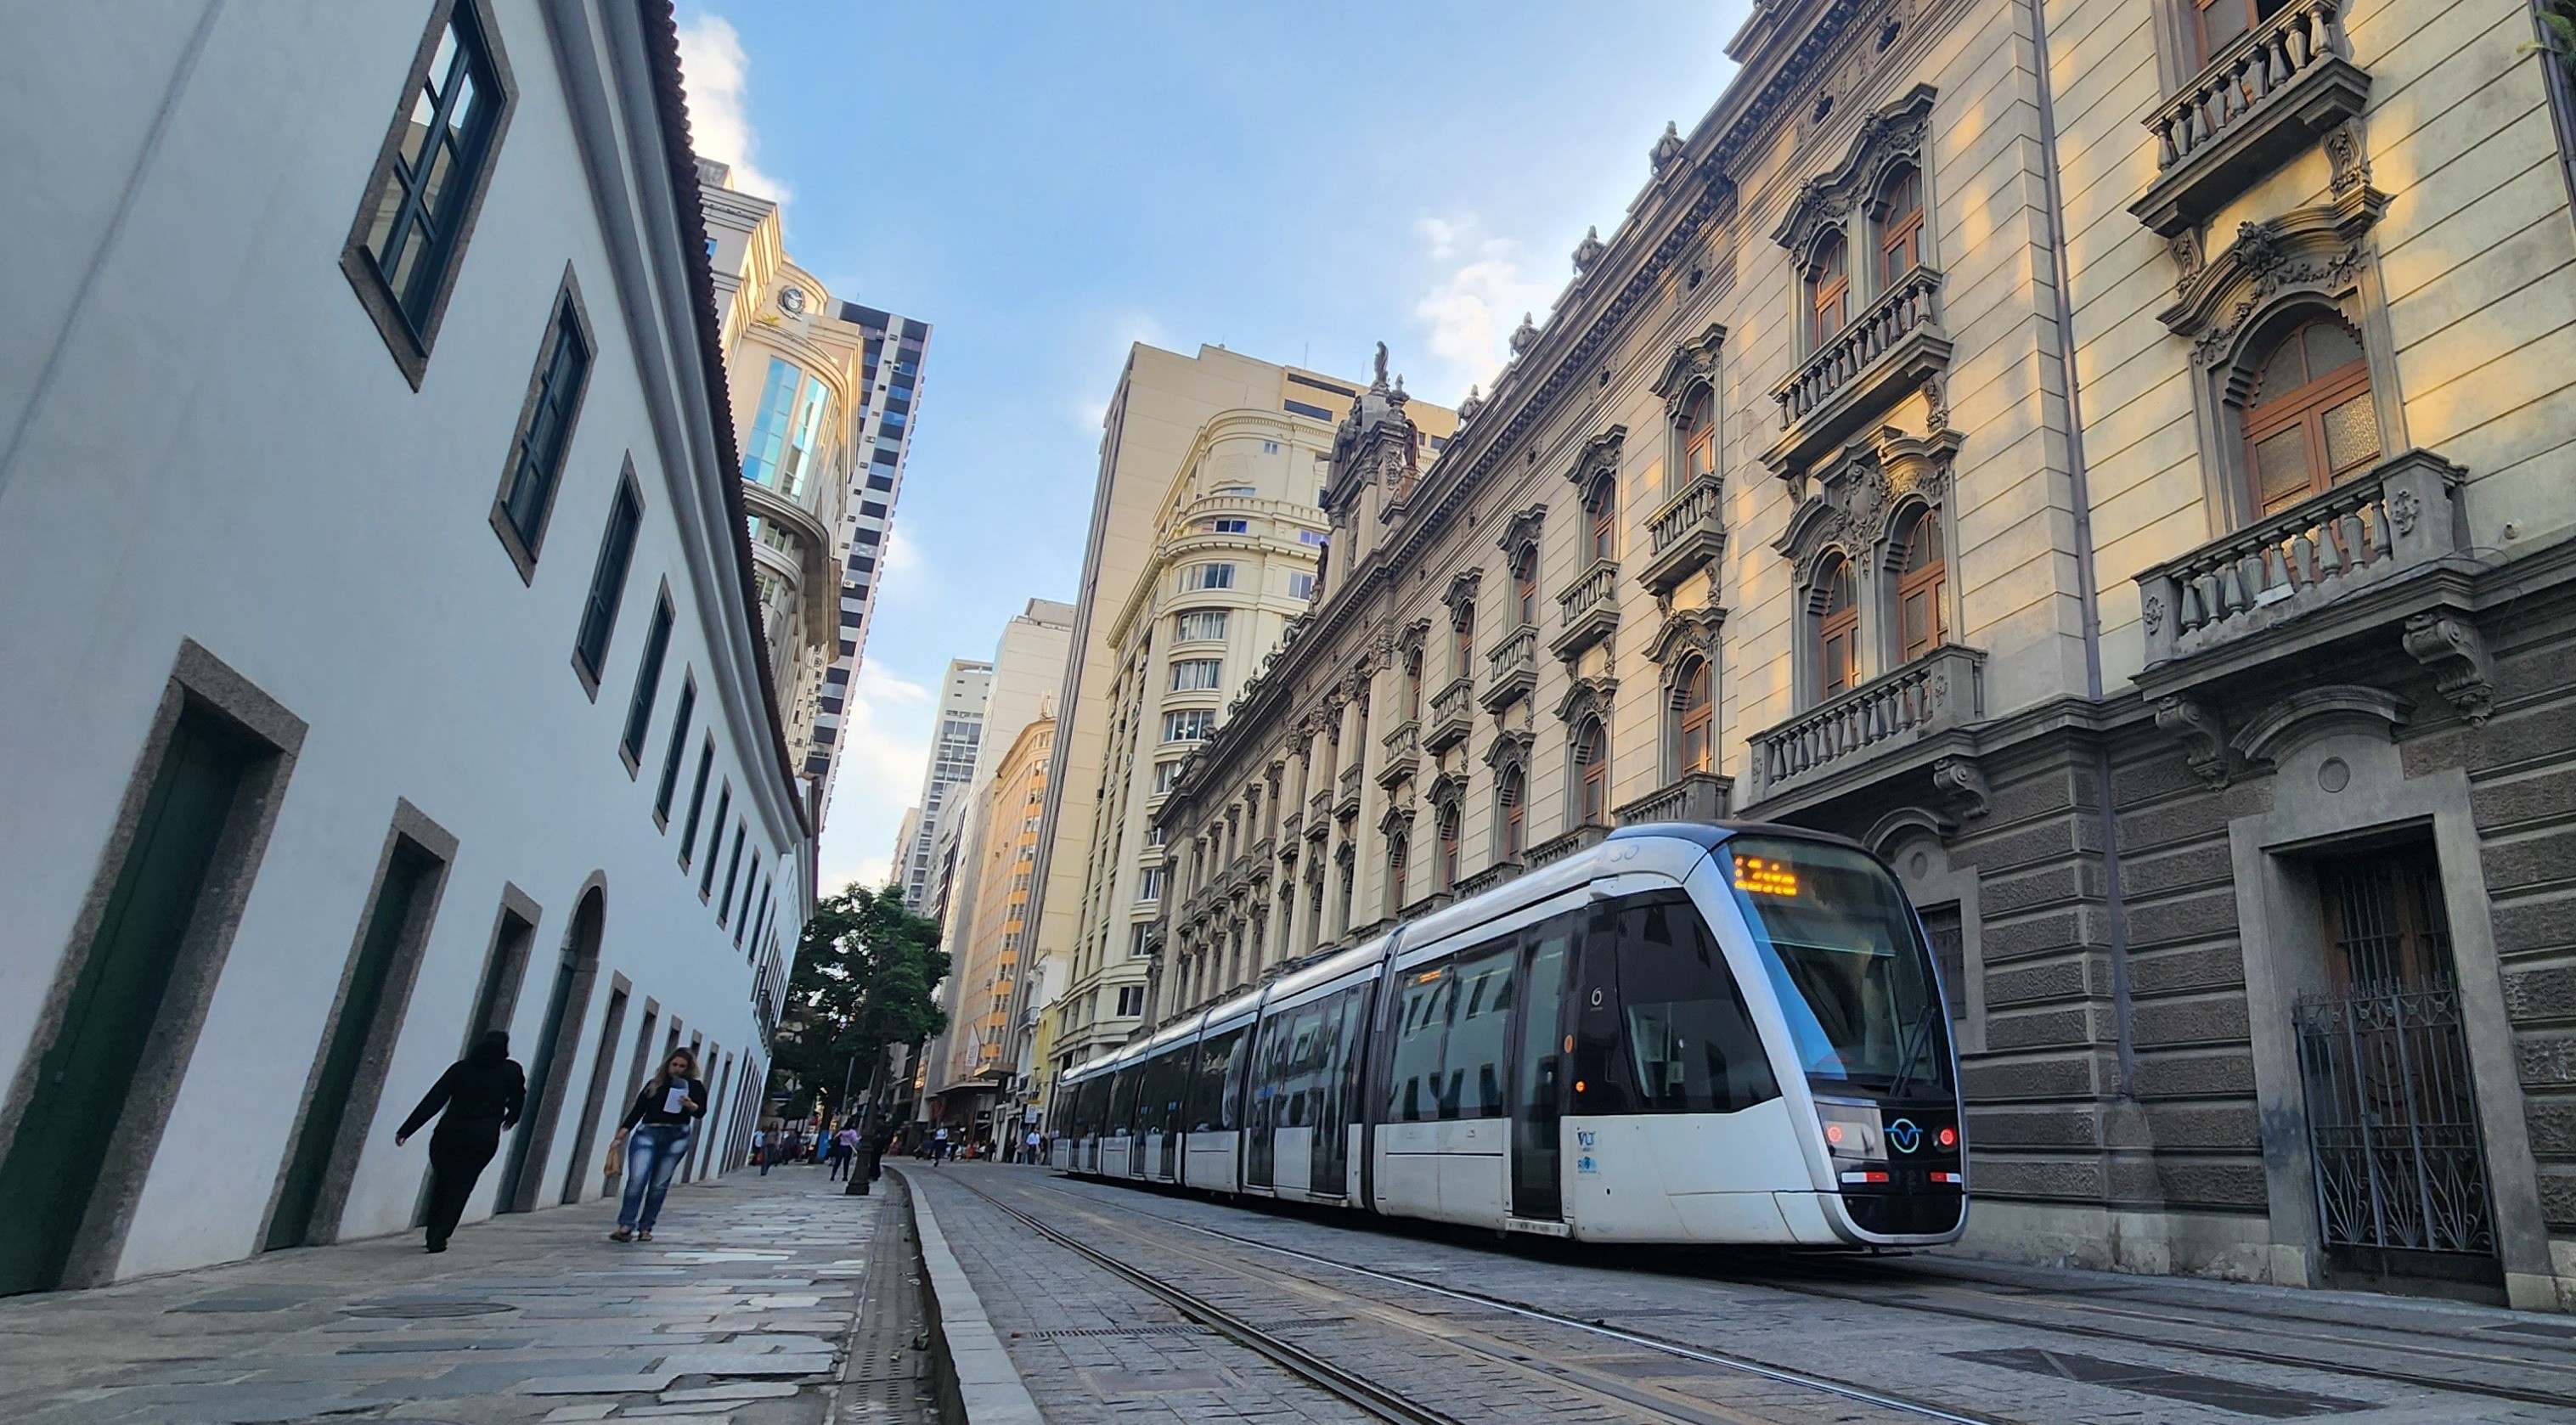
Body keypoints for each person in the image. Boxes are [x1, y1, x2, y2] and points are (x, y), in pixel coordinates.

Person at [394, 1031, 525, 1253]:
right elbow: (519, 1097)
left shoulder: (461, 1069)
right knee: (462, 1186)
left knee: (442, 1182)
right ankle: (440, 1235)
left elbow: (434, 1099)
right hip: (482, 1137)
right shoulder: (510, 1071)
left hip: (449, 1134)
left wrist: (407, 1130)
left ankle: (432, 1229)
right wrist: (511, 1117)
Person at [608, 1046, 705, 1242]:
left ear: (689, 1068)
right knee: (637, 1179)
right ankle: (626, 1225)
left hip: (677, 1136)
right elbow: (638, 1110)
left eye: (682, 1066)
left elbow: (700, 1112)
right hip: (648, 1132)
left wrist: (689, 1104)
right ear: (668, 1064)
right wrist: (620, 1135)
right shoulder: (655, 1084)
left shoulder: (694, 1087)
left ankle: (646, 1227)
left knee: (659, 1184)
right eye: (674, 1064)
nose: (677, 1069)